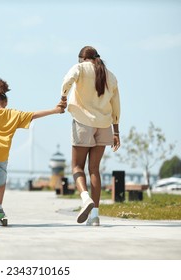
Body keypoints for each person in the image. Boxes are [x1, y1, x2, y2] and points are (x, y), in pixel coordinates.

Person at [0, 78, 66, 228]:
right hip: (1, 154)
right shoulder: (13, 114)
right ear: (6, 102)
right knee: (1, 182)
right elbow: (34, 115)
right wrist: (55, 110)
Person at [59, 46, 121, 226]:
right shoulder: (111, 76)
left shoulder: (80, 68)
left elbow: (67, 80)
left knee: (77, 167)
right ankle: (95, 217)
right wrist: (116, 130)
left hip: (83, 122)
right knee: (94, 169)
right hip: (104, 125)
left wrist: (63, 97)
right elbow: (116, 105)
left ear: (82, 59)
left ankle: (85, 199)